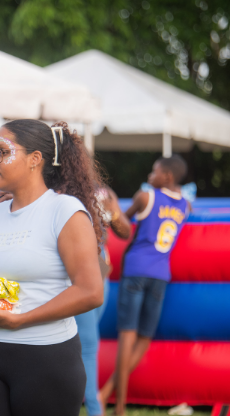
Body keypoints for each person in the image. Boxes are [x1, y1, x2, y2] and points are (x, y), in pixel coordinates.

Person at [0, 120, 105, 416]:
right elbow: (5, 281)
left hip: (46, 357)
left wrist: (20, 320)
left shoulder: (64, 211)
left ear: (35, 159)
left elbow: (91, 292)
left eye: (2, 152)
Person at [99, 155, 189, 416]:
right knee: (144, 338)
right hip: (161, 274)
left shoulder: (146, 196)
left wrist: (110, 203)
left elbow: (121, 223)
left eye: (154, 171)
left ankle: (117, 405)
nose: (150, 176)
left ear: (167, 176)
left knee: (127, 337)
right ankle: (108, 396)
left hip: (136, 270)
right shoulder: (185, 204)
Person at [75, 186, 131, 416]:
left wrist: (111, 210)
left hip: (97, 276)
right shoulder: (58, 192)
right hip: (79, 277)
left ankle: (94, 408)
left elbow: (125, 231)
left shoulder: (101, 193)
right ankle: (95, 409)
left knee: (86, 345)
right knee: (87, 346)